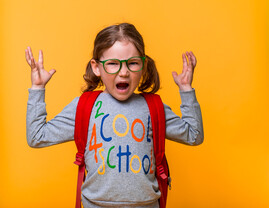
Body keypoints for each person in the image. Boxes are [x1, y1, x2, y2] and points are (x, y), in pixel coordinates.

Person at [25, 23, 204, 208]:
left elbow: (194, 135)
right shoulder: (85, 106)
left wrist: (186, 90)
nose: (124, 72)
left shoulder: (153, 107)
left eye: (133, 63)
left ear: (143, 65)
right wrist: (37, 89)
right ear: (96, 67)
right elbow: (37, 137)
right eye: (112, 64)